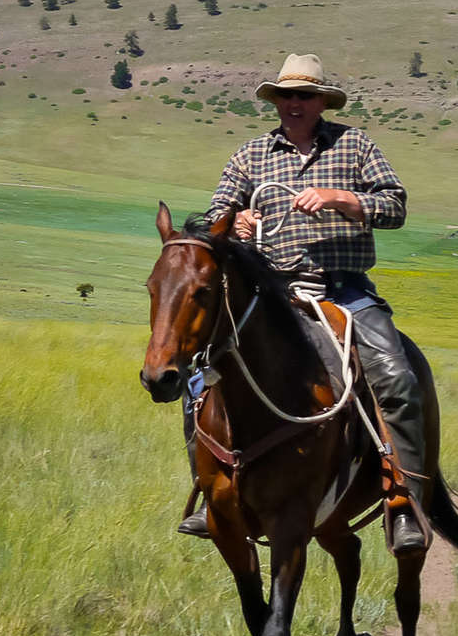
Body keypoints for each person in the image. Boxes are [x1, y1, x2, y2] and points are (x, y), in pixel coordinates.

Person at [180, 53, 429, 556]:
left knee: (397, 379)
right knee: (197, 375)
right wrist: (237, 222)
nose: (294, 104)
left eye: (305, 96)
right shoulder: (251, 155)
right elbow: (215, 216)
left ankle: (402, 502)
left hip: (343, 288)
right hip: (274, 294)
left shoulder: (354, 145)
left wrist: (342, 198)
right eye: (286, 96)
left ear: (322, 102)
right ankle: (210, 494)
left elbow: (395, 206)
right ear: (276, 101)